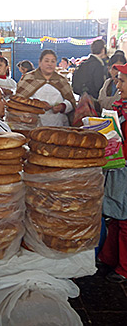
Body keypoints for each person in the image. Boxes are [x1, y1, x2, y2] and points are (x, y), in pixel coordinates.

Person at [97, 62, 127, 283]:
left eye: (122, 80)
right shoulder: (119, 106)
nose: (117, 83)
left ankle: (124, 268)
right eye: (118, 79)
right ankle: (108, 258)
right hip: (116, 167)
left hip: (124, 168)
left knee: (126, 220)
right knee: (114, 214)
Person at [16, 49, 76, 127]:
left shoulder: (61, 80)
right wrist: (37, 104)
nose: (50, 64)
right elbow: (18, 101)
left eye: (53, 61)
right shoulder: (28, 78)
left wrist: (63, 106)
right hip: (33, 126)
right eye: (46, 61)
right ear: (40, 62)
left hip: (59, 126)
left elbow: (71, 102)